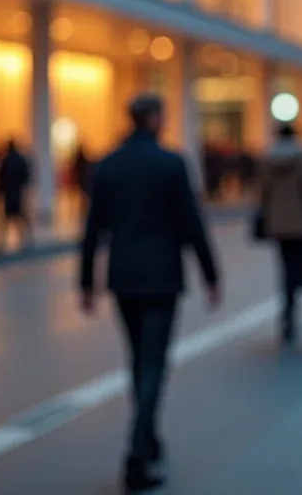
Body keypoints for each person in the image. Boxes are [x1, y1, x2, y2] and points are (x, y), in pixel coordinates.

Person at [80, 93, 221, 492]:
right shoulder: (171, 164)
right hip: (161, 277)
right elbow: (193, 224)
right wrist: (211, 275)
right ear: (156, 118)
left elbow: (92, 230)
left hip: (124, 277)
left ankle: (150, 437)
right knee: (153, 364)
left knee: (138, 359)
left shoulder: (107, 165)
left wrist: (86, 283)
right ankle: (138, 452)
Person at [259, 122, 302, 344]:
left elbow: (263, 193)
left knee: (285, 266)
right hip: (300, 223)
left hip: (278, 224)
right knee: (298, 265)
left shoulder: (268, 161)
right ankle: (292, 306)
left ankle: (287, 307)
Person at [0, 139, 33, 253]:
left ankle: (1, 243)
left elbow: (1, 178)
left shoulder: (6, 160)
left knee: (6, 219)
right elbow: (25, 177)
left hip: (9, 194)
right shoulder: (20, 159)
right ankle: (27, 240)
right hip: (17, 193)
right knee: (20, 217)